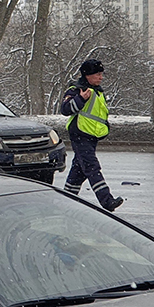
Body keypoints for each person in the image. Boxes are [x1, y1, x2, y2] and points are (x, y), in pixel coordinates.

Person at [60, 59, 123, 212]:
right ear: (87, 75)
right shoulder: (77, 89)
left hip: (92, 135)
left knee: (79, 170)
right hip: (80, 134)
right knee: (92, 167)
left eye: (101, 74)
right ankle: (106, 200)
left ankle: (66, 199)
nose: (101, 77)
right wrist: (81, 99)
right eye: (97, 74)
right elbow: (65, 109)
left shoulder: (97, 90)